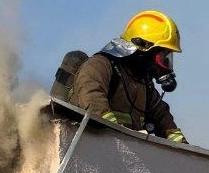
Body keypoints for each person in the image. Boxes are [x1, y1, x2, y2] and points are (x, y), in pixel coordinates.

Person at [70, 10, 187, 144]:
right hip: (91, 146)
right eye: (162, 57)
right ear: (143, 48)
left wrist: (186, 151)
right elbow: (92, 101)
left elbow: (162, 118)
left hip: (123, 154)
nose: (164, 65)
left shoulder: (142, 82)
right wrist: (117, 135)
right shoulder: (99, 65)